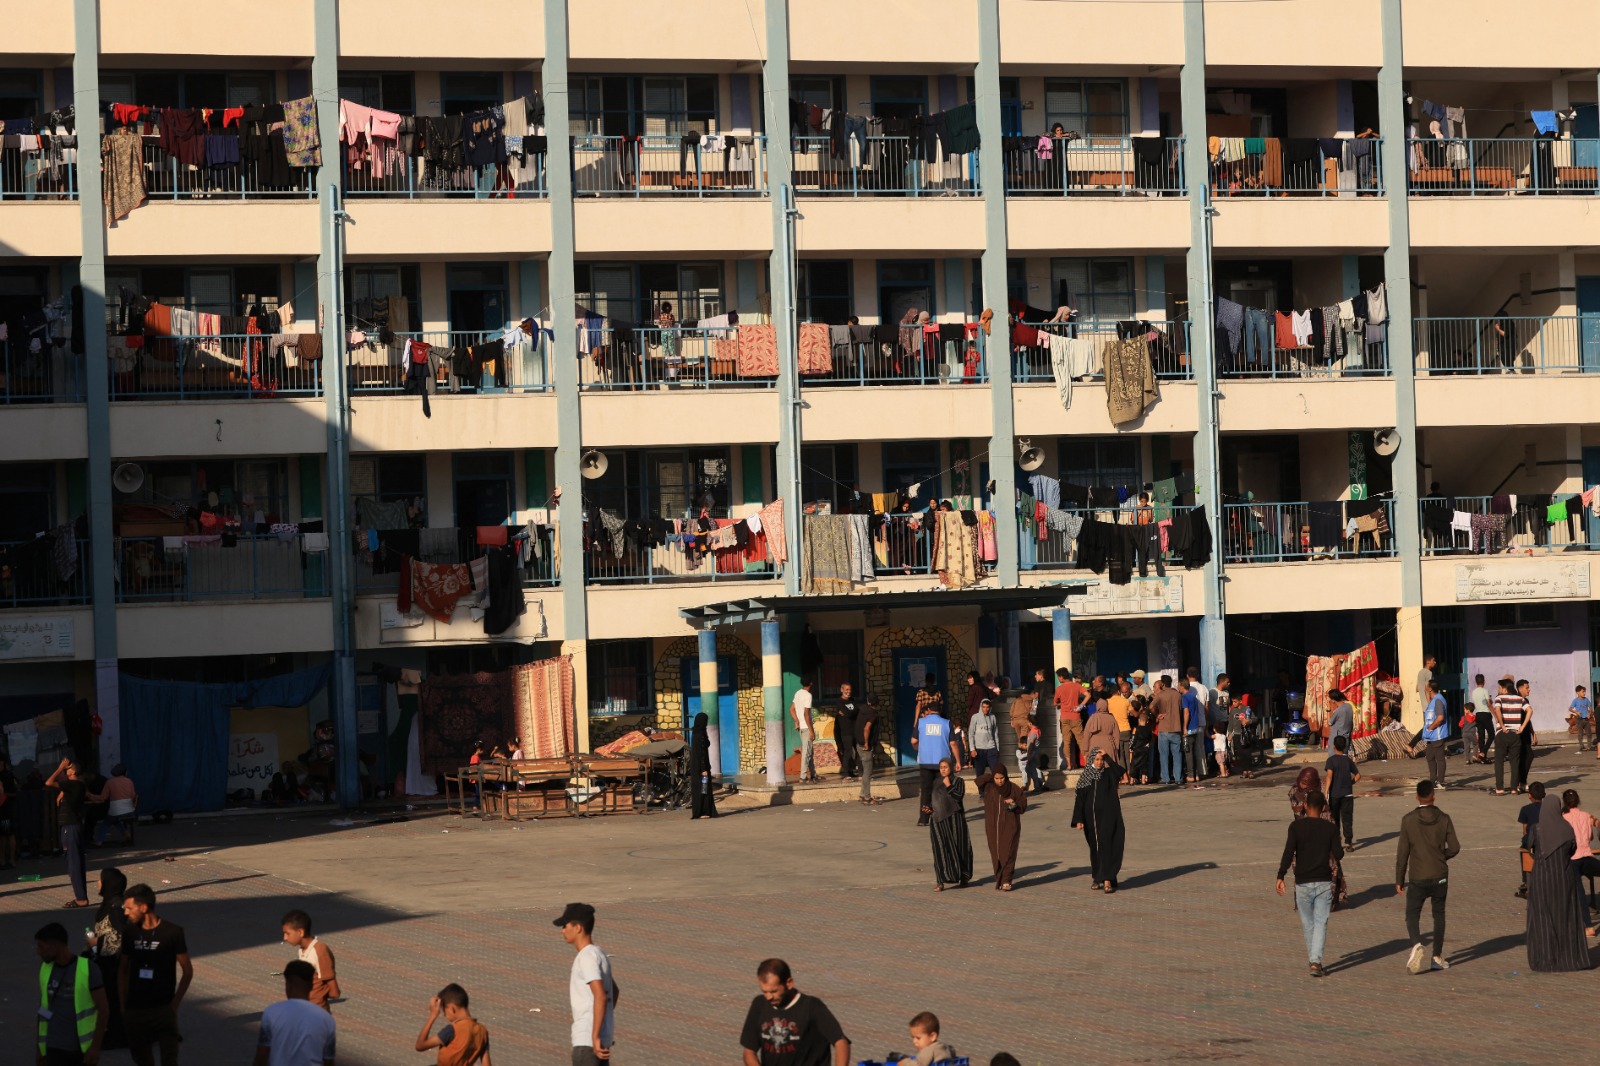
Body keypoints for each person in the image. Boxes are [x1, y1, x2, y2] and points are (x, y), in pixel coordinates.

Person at [120, 883, 192, 1066]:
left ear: (143, 907)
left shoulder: (172, 932)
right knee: (142, 1059)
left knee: (169, 1059)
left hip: (163, 1008)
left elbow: (187, 971)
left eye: (129, 908)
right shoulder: (129, 932)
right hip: (135, 1009)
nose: (126, 912)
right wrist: (123, 1006)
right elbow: (122, 970)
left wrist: (174, 1004)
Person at [1396, 779, 1461, 974]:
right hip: (1440, 874)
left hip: (1418, 876)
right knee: (1438, 914)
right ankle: (1437, 957)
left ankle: (1416, 944)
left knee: (1412, 913)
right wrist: (1442, 856)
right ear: (1433, 796)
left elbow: (1402, 853)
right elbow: (1455, 847)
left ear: (1416, 797)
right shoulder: (1444, 818)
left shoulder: (1408, 820)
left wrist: (1399, 879)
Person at [1526, 792, 1596, 972]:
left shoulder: (1537, 829)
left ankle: (1546, 959)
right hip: (1563, 877)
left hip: (1542, 877)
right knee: (1566, 916)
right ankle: (1570, 958)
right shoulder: (1566, 828)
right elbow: (1572, 850)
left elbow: (1530, 848)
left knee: (1543, 917)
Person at [1276, 789, 1342, 978]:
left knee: (1308, 923)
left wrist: (1280, 875)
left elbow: (1288, 852)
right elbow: (1339, 854)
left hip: (1302, 881)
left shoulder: (1296, 827)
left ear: (1305, 805)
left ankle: (1313, 959)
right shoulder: (1330, 828)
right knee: (1321, 922)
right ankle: (1315, 961)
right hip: (1323, 881)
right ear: (1323, 808)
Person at [739, 958, 849, 1066]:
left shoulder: (812, 1006)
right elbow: (749, 1051)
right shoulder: (759, 1004)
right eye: (764, 991)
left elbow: (840, 1042)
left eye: (773, 991)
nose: (768, 997)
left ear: (789, 983)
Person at [36, 920, 107, 1066]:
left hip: (80, 1050)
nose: (38, 951)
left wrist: (95, 1048)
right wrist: (39, 1049)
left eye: (41, 946)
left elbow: (104, 1010)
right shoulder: (45, 968)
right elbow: (43, 1009)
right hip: (52, 1048)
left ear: (55, 946)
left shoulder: (88, 969)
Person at [556, 903, 617, 1065]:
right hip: (599, 1042)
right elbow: (614, 991)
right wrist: (605, 1028)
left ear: (578, 928)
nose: (562, 930)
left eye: (565, 925)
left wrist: (595, 1036)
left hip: (587, 1043)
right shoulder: (599, 953)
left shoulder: (586, 957)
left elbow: (600, 996)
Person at [254, 960, 335, 1066]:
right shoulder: (326, 1019)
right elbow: (328, 1060)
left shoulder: (271, 1012)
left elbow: (262, 1055)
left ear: (288, 985)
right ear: (311, 986)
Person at [86, 867, 130, 1051]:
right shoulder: (109, 904)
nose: (98, 883)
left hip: (116, 964)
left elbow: (123, 938)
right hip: (106, 961)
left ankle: (118, 1036)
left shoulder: (117, 908)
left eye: (101, 880)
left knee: (114, 998)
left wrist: (98, 941)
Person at [1072, 747, 1126, 893]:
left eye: (1101, 760)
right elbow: (1080, 801)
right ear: (1091, 761)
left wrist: (1107, 756)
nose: (1099, 762)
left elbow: (1120, 772)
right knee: (1095, 849)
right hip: (1091, 821)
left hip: (1109, 818)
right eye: (1096, 759)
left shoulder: (1108, 774)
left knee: (1107, 846)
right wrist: (1079, 819)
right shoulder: (1085, 777)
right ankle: (1097, 877)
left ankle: (1108, 880)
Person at [45, 758, 91, 908]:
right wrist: (62, 792)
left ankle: (81, 898)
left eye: (68, 767)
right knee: (76, 861)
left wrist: (59, 768)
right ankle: (81, 896)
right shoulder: (76, 786)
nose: (66, 769)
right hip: (73, 825)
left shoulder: (74, 784)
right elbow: (66, 790)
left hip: (70, 826)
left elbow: (49, 783)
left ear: (74, 771)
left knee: (73, 863)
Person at [977, 766, 1027, 891]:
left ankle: (1006, 880)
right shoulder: (989, 787)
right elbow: (978, 781)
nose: (999, 781)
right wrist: (990, 776)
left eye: (1002, 778)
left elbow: (1023, 806)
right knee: (996, 852)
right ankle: (999, 878)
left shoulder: (1014, 789)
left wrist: (1014, 803)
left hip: (1010, 826)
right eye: (996, 778)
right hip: (992, 826)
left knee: (1009, 852)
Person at [413, 984, 490, 1065]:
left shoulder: (452, 1030)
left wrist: (433, 1015)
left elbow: (420, 1045)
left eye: (444, 1011)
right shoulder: (483, 1031)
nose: (444, 1015)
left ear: (452, 1008)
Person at [911, 700, 958, 827]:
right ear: (939, 710)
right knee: (942, 790)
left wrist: (918, 748)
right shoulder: (947, 723)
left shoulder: (921, 722)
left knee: (926, 791)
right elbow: (953, 743)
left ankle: (923, 819)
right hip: (942, 763)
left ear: (929, 710)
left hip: (925, 761)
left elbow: (913, 741)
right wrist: (958, 761)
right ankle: (942, 816)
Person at [281, 910, 339, 1012]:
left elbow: (329, 977)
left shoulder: (319, 950)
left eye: (287, 933)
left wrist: (333, 993)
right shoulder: (302, 950)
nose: (285, 938)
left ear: (300, 932)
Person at [927, 758, 972, 891]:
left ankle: (963, 877)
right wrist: (929, 809)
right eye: (941, 767)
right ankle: (940, 882)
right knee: (939, 849)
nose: (943, 770)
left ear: (951, 768)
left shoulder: (958, 781)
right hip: (937, 820)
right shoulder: (935, 782)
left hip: (955, 820)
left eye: (946, 767)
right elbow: (933, 800)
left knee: (961, 848)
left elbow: (958, 797)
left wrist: (948, 785)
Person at [1491, 676, 1531, 795]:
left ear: (1504, 688)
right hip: (1515, 734)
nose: (1498, 689)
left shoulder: (1499, 698)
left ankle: (1500, 788)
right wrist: (1522, 727)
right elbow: (1530, 710)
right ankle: (1514, 788)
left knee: (1499, 761)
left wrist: (1502, 725)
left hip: (1502, 734)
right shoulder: (1519, 699)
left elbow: (1497, 710)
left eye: (1499, 687)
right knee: (1515, 762)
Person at [1323, 735, 1360, 850]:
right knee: (1347, 819)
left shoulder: (1331, 760)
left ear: (1334, 747)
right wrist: (1350, 783)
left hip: (1335, 794)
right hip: (1347, 794)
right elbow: (1358, 776)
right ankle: (1348, 843)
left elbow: (1329, 776)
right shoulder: (1348, 760)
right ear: (1344, 747)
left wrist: (1326, 791)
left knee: (1335, 819)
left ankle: (1337, 841)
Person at [1562, 790, 1600, 902]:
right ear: (1578, 800)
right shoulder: (1586, 816)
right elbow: (1591, 837)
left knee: (1579, 890)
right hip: (1587, 857)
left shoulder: (1563, 819)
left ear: (1564, 802)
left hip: (1572, 859)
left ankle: (1584, 917)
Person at [87, 765, 138, 847]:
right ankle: (126, 834)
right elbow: (133, 796)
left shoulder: (110, 782)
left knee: (107, 822)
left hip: (116, 810)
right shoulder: (129, 781)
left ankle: (99, 841)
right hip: (129, 810)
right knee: (114, 819)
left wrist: (90, 795)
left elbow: (103, 797)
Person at [1517, 782, 1547, 899]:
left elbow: (1525, 829)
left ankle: (1526, 880)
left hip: (1531, 842)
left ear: (1529, 795)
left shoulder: (1525, 809)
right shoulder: (1548, 808)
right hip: (1546, 840)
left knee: (1524, 850)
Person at [1151, 676, 1184, 785]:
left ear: (1163, 684)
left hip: (1163, 728)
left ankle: (1165, 778)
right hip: (1176, 727)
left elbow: (1151, 706)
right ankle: (1178, 778)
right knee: (1177, 754)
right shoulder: (1178, 695)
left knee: (1164, 755)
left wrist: (1157, 715)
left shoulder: (1160, 695)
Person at [1054, 668, 1087, 770]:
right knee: (1081, 740)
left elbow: (1055, 703)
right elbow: (1088, 695)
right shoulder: (1077, 686)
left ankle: (1069, 764)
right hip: (1076, 716)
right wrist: (1080, 706)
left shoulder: (1059, 689)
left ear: (1061, 677)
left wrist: (1062, 703)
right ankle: (1087, 762)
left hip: (1064, 717)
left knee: (1067, 741)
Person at [688, 711, 718, 820]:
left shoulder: (696, 732)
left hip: (696, 768)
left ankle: (700, 811)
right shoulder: (700, 735)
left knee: (700, 789)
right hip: (702, 769)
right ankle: (704, 811)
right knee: (704, 789)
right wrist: (704, 768)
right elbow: (702, 753)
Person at [1082, 695, 1121, 777]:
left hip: (1094, 744)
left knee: (1095, 767)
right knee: (1108, 767)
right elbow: (1116, 734)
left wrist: (1085, 749)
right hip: (1109, 744)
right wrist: (1116, 747)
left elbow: (1086, 734)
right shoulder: (1111, 718)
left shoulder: (1093, 718)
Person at [1421, 681, 1449, 788]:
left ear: (1430, 689)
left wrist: (1429, 728)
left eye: (1427, 686)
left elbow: (1440, 717)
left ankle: (1440, 781)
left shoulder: (1438, 700)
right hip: (1431, 736)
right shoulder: (1434, 700)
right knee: (1430, 757)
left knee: (1439, 758)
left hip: (1437, 734)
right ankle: (1433, 780)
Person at [854, 697, 881, 806]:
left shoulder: (863, 709)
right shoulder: (872, 714)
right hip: (865, 745)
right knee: (867, 772)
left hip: (858, 743)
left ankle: (862, 794)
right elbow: (867, 728)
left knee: (865, 771)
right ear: (876, 703)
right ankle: (867, 797)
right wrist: (866, 743)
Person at [833, 684, 863, 781]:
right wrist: (850, 712)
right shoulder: (839, 701)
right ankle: (845, 773)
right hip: (846, 732)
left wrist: (849, 713)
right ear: (841, 690)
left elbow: (855, 711)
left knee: (859, 751)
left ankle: (860, 772)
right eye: (846, 689)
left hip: (855, 730)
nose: (848, 691)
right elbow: (850, 712)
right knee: (848, 752)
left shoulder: (853, 700)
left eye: (850, 689)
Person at [1181, 680, 1207, 784]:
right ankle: (1196, 774)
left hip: (1190, 727)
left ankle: (1191, 775)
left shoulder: (1185, 697)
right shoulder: (1194, 697)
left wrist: (1184, 727)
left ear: (1182, 686)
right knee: (1195, 750)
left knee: (1188, 751)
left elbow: (1186, 713)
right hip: (1197, 726)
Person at [967, 697, 1000, 777]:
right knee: (980, 774)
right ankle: (981, 790)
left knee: (996, 771)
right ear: (981, 707)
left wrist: (997, 748)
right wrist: (972, 749)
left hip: (991, 748)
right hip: (979, 749)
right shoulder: (975, 717)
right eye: (984, 707)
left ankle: (995, 789)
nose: (985, 709)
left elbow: (995, 733)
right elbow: (971, 733)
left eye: (987, 707)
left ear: (990, 708)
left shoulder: (993, 717)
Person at [791, 680, 816, 783]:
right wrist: (811, 731)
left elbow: (791, 709)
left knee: (809, 751)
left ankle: (813, 774)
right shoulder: (808, 695)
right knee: (806, 752)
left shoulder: (798, 693)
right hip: (806, 727)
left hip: (801, 727)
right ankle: (803, 776)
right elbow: (806, 714)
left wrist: (797, 721)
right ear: (811, 683)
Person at [1108, 680, 1135, 772]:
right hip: (1126, 729)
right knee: (1128, 753)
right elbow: (1135, 714)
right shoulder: (1126, 701)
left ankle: (1124, 775)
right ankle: (1130, 772)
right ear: (1119, 692)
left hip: (1115, 731)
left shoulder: (1107, 702)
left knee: (1120, 754)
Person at [1468, 673, 1493, 763]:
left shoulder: (1474, 692)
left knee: (1481, 736)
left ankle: (1483, 758)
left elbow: (1475, 704)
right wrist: (1494, 714)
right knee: (1492, 734)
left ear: (1475, 682)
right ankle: (1483, 752)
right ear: (1484, 681)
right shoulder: (1485, 691)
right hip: (1486, 714)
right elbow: (1489, 704)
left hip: (1478, 715)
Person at [1128, 708, 1153, 786]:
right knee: (1144, 764)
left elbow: (1133, 738)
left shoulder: (1136, 728)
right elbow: (1150, 739)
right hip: (1145, 748)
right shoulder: (1149, 729)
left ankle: (1132, 780)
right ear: (1147, 721)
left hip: (1137, 748)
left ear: (1139, 720)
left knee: (1134, 764)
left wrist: (1131, 746)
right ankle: (1143, 780)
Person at [1325, 689, 1354, 754]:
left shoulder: (1338, 711)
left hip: (1337, 738)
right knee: (1344, 756)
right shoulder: (1349, 706)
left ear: (1333, 700)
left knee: (1334, 758)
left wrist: (1328, 711)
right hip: (1346, 737)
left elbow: (1330, 722)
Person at [1573, 685, 1594, 754]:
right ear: (1578, 692)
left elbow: (1590, 707)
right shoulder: (1575, 701)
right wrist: (1576, 712)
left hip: (1586, 719)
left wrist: (1589, 713)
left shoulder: (1586, 699)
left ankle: (1589, 746)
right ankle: (1582, 746)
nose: (1584, 693)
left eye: (1584, 692)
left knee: (1589, 733)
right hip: (1579, 719)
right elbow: (1570, 708)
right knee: (1580, 734)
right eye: (1583, 692)